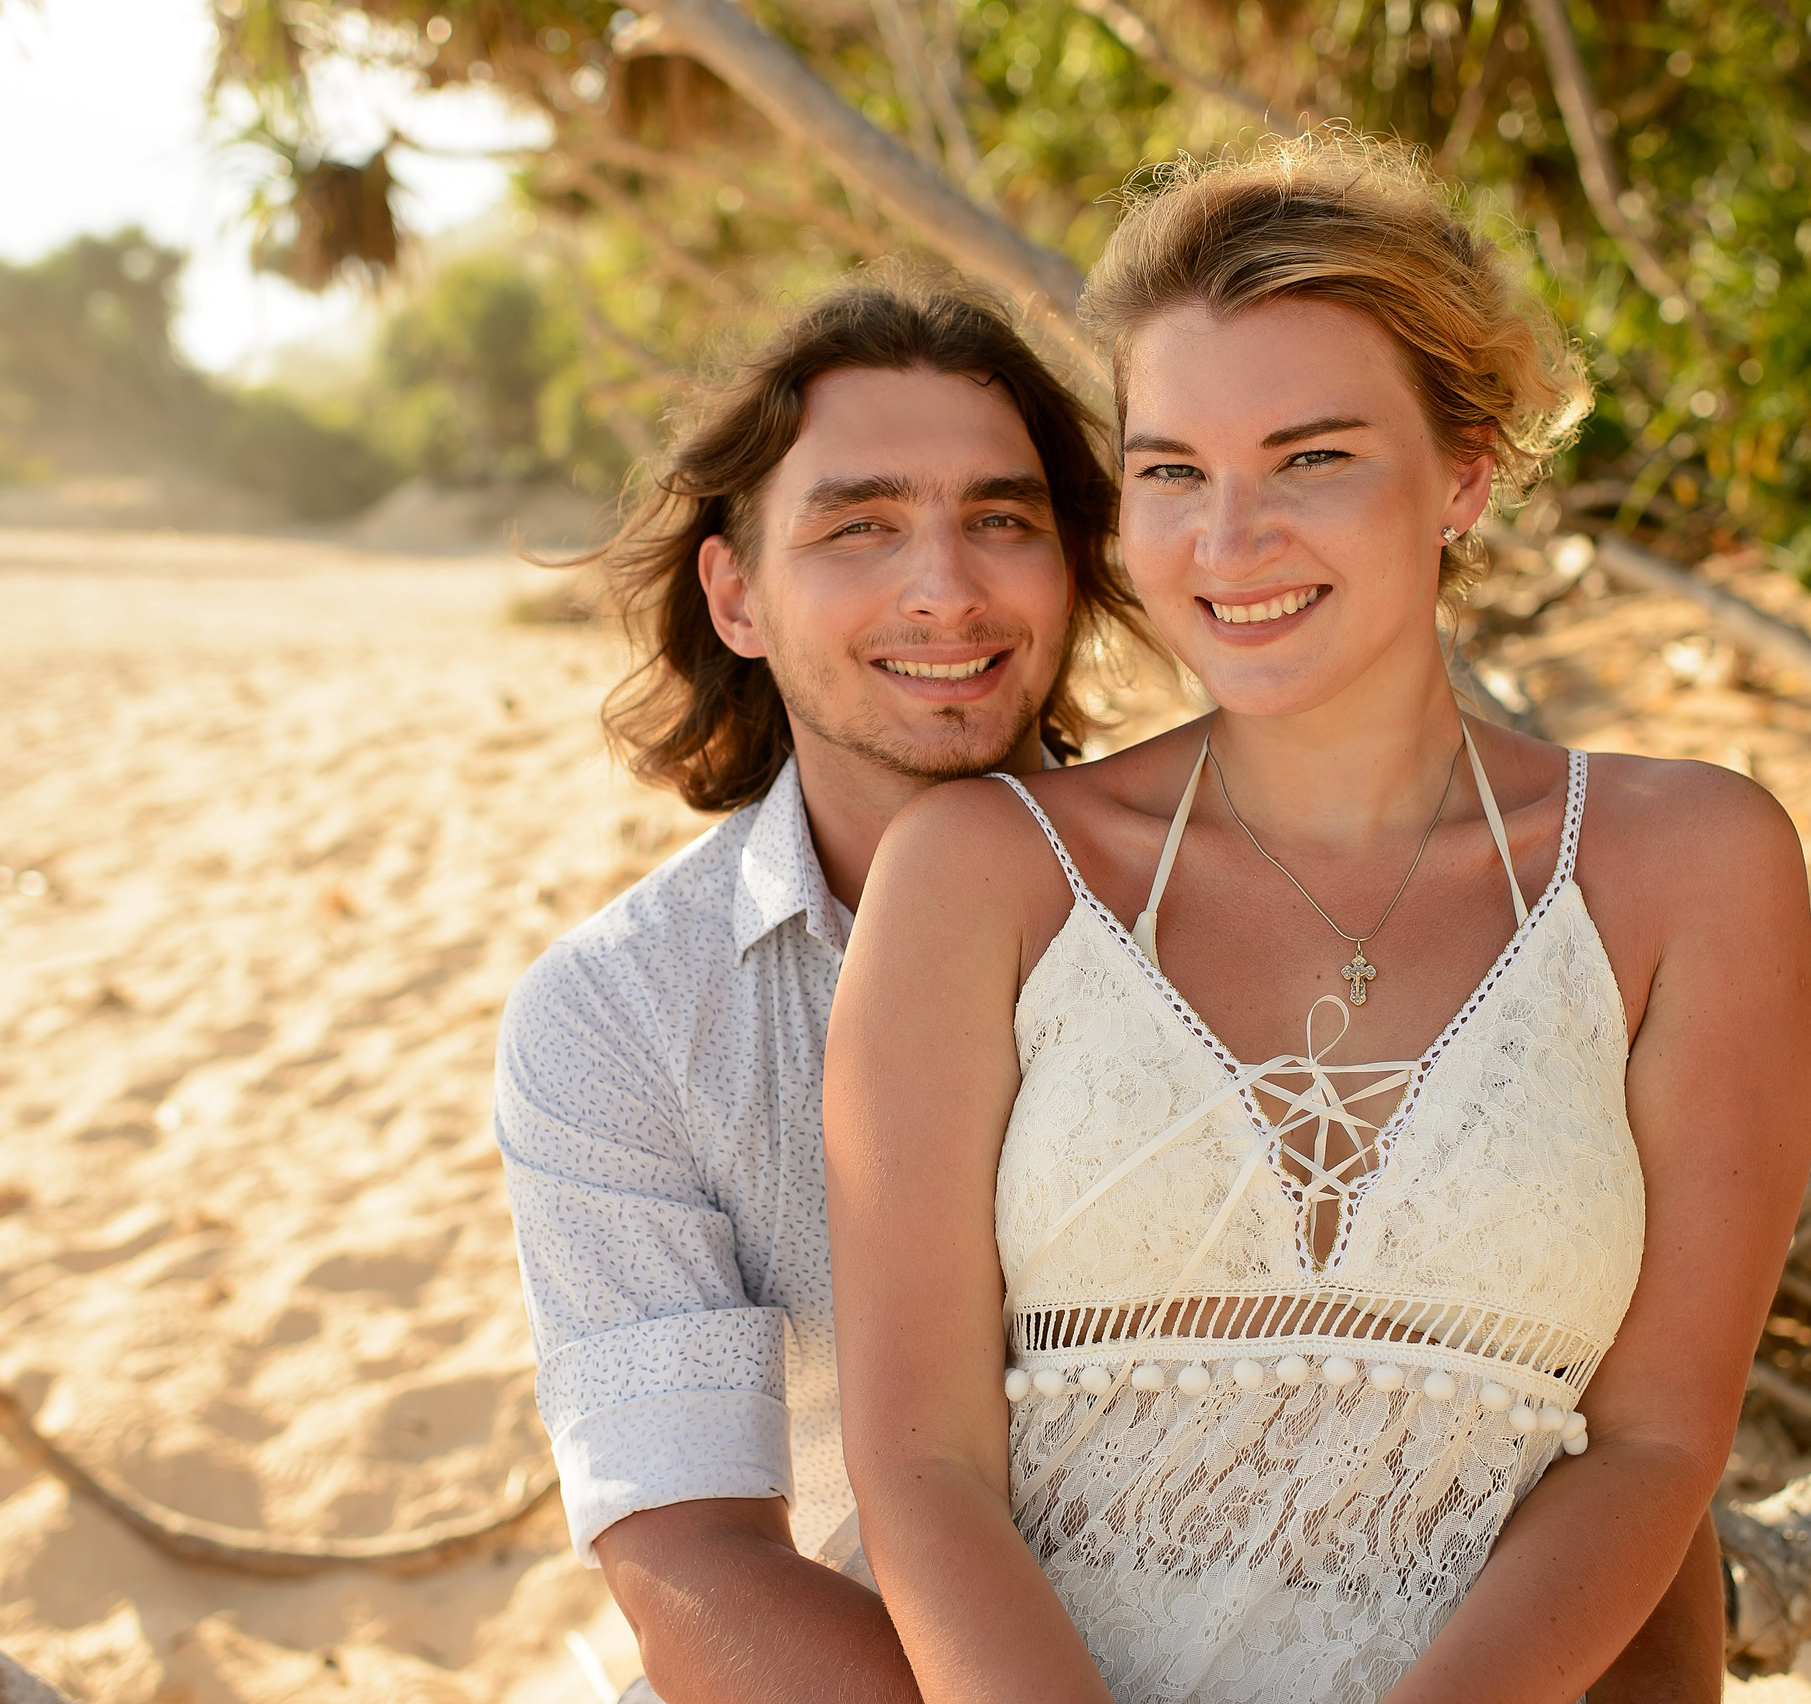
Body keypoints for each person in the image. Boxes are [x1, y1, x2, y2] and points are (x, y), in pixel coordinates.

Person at [497, 273, 1733, 1703]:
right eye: (859, 526)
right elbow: (696, 1570)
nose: (946, 587)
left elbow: (1596, 1424)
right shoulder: (623, 1019)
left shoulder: (1254, 893)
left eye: (1005, 521)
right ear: (737, 594)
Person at [824, 138, 1811, 1704]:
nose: (1229, 543)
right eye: (1172, 472)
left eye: (1313, 458)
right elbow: (920, 1455)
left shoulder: (1690, 865)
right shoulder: (982, 875)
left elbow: (1652, 1442)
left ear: (1468, 472)